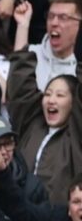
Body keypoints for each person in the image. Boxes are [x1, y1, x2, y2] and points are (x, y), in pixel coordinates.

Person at [7, 33, 82, 205]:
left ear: (73, 103)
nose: (51, 100)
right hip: (18, 218)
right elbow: (20, 87)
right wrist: (23, 26)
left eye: (60, 95)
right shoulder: (32, 124)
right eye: (47, 94)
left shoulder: (76, 137)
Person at [14, 0, 80, 90]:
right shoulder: (32, 54)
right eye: (51, 16)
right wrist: (22, 25)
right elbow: (15, 84)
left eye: (63, 18)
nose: (54, 23)